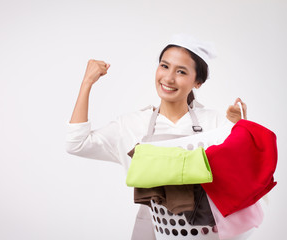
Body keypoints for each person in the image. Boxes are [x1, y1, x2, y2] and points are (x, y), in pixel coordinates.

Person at [66, 34, 247, 239]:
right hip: (153, 229)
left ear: (197, 82)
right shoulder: (132, 125)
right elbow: (76, 144)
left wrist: (241, 128)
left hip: (206, 233)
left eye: (181, 71)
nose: (168, 78)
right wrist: (87, 82)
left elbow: (244, 176)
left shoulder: (214, 122)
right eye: (164, 66)